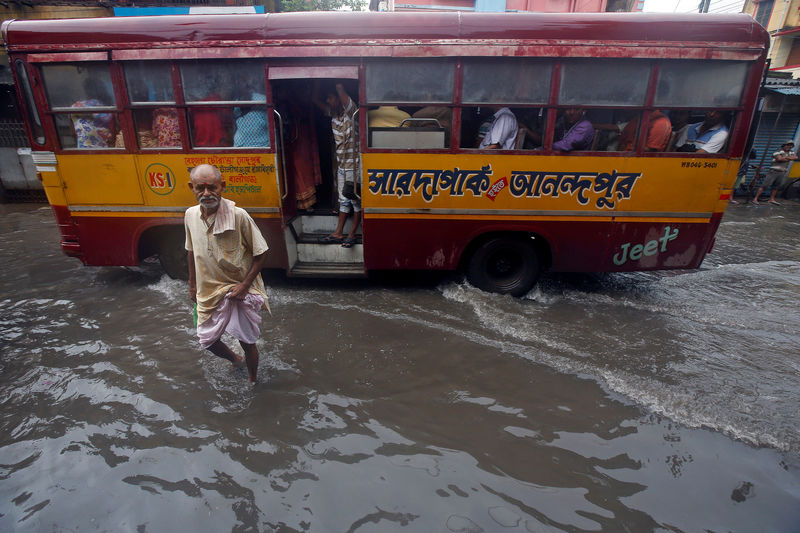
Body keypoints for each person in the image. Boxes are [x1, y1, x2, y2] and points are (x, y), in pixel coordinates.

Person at [185, 164, 270, 383]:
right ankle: (236, 360)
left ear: (222, 186)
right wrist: (192, 284)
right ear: (191, 188)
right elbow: (191, 250)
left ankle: (253, 380)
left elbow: (261, 253)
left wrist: (244, 286)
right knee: (207, 340)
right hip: (207, 291)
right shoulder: (190, 215)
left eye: (212, 188)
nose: (206, 193)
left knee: (246, 340)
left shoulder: (239, 216)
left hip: (236, 289)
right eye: (200, 188)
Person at [313, 82, 361, 248]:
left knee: (355, 201)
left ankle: (352, 233)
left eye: (330, 97)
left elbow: (342, 94)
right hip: (342, 166)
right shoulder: (333, 114)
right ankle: (338, 232)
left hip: (354, 166)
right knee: (343, 200)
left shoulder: (352, 112)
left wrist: (339, 84)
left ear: (339, 99)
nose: (327, 100)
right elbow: (314, 99)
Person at [71, 78, 114, 149]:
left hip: (83, 148)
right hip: (105, 148)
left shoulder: (75, 106)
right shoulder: (107, 107)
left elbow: (73, 132)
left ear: (86, 91)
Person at [753, 141, 796, 206]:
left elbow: (795, 157)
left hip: (782, 171)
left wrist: (784, 158)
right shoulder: (777, 151)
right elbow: (779, 159)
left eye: (790, 145)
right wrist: (789, 158)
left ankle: (771, 199)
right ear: (784, 145)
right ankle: (755, 199)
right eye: (788, 145)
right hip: (774, 171)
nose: (789, 147)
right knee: (765, 185)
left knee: (776, 186)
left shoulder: (791, 152)